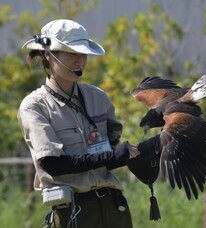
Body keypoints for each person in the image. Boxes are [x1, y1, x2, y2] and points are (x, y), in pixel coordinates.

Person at [17, 19, 141, 228]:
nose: (80, 61)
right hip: (73, 212)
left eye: (83, 54)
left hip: (114, 207)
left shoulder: (98, 98)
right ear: (48, 55)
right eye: (73, 54)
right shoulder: (34, 106)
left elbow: (108, 156)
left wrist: (143, 150)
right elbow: (52, 165)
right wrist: (111, 156)